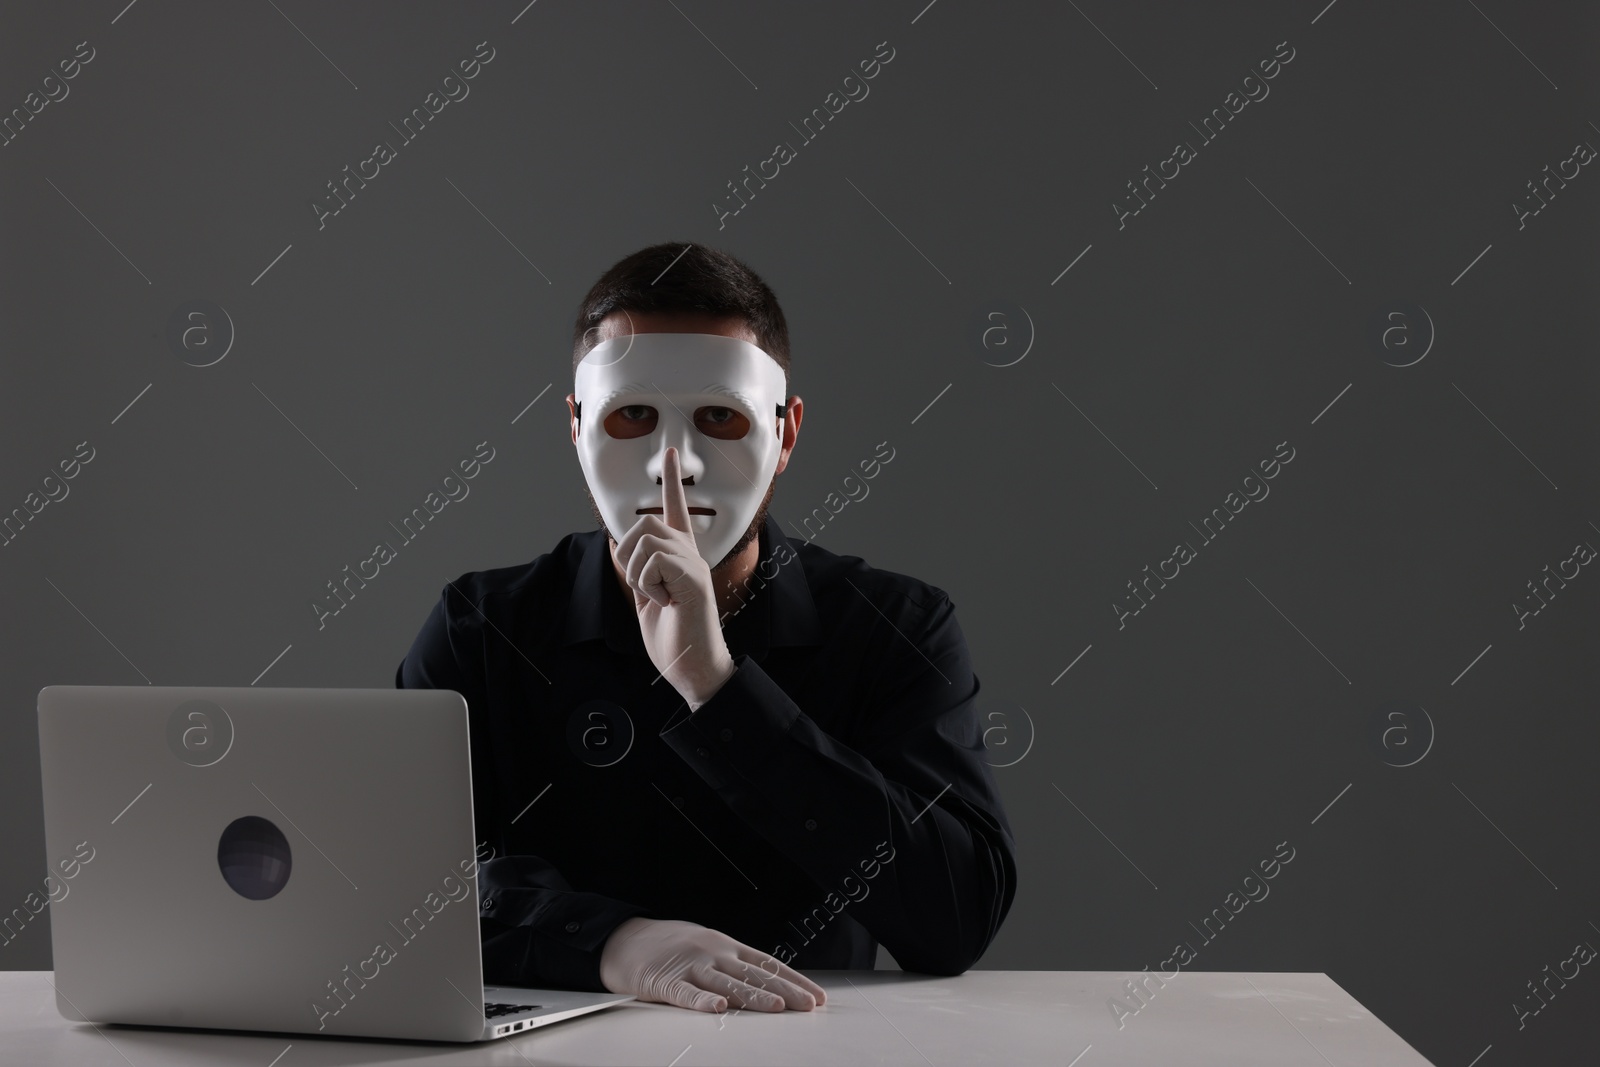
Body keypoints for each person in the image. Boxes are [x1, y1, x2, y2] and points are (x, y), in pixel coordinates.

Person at [396, 242, 1017, 1015]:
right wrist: (614, 942)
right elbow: (401, 895)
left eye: (719, 416)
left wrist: (719, 688)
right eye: (633, 416)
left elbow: (956, 915)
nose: (674, 463)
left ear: (785, 434)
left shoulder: (893, 627)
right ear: (577, 426)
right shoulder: (486, 629)